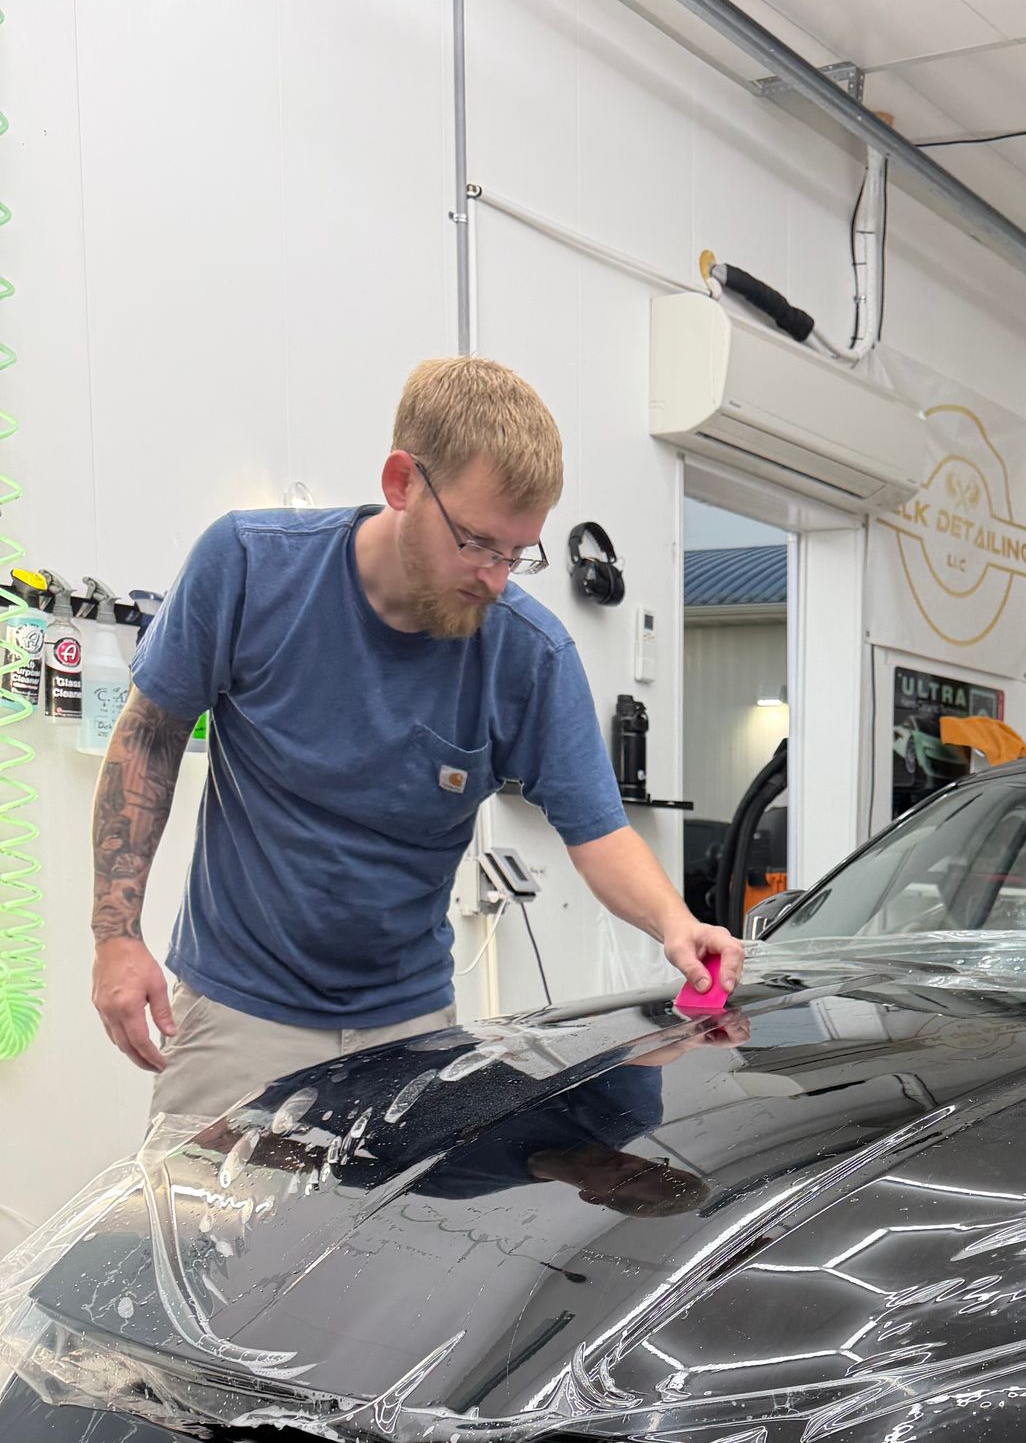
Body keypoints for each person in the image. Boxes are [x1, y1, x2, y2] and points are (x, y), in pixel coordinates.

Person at [89, 355, 741, 1126]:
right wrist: (114, 936)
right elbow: (148, 738)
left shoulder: (528, 654)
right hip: (239, 1013)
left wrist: (678, 923)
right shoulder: (249, 566)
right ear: (401, 483)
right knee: (203, 1240)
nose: (497, 578)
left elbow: (597, 831)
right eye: (476, 543)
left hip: (409, 1029)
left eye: (517, 553)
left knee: (393, 1246)